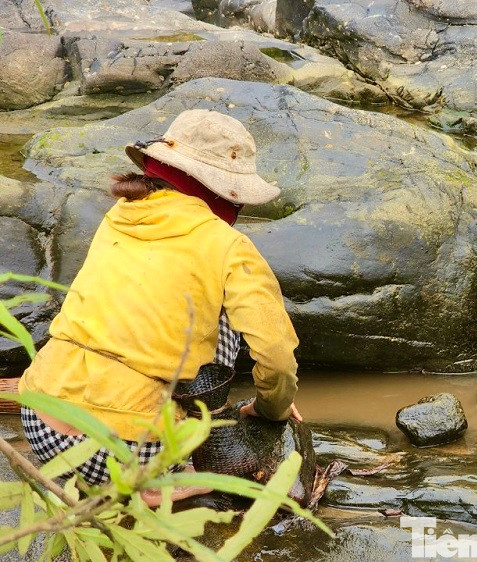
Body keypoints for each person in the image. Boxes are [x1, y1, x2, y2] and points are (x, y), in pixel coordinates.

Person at [19, 109, 302, 506]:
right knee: (221, 325)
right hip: (121, 450)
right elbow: (275, 352)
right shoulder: (227, 245)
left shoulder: (120, 216)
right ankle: (157, 481)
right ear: (221, 191)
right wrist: (274, 408)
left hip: (38, 421)